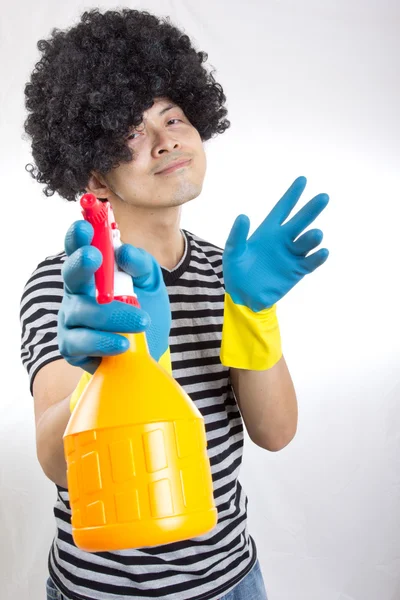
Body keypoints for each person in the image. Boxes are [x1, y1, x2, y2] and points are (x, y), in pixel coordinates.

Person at [19, 8, 329, 600]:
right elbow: (58, 462)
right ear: (97, 178)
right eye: (132, 132)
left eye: (175, 118)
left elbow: (276, 431)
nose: (166, 142)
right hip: (104, 589)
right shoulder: (71, 282)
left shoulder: (229, 271)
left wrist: (251, 312)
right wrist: (125, 364)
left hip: (230, 580)